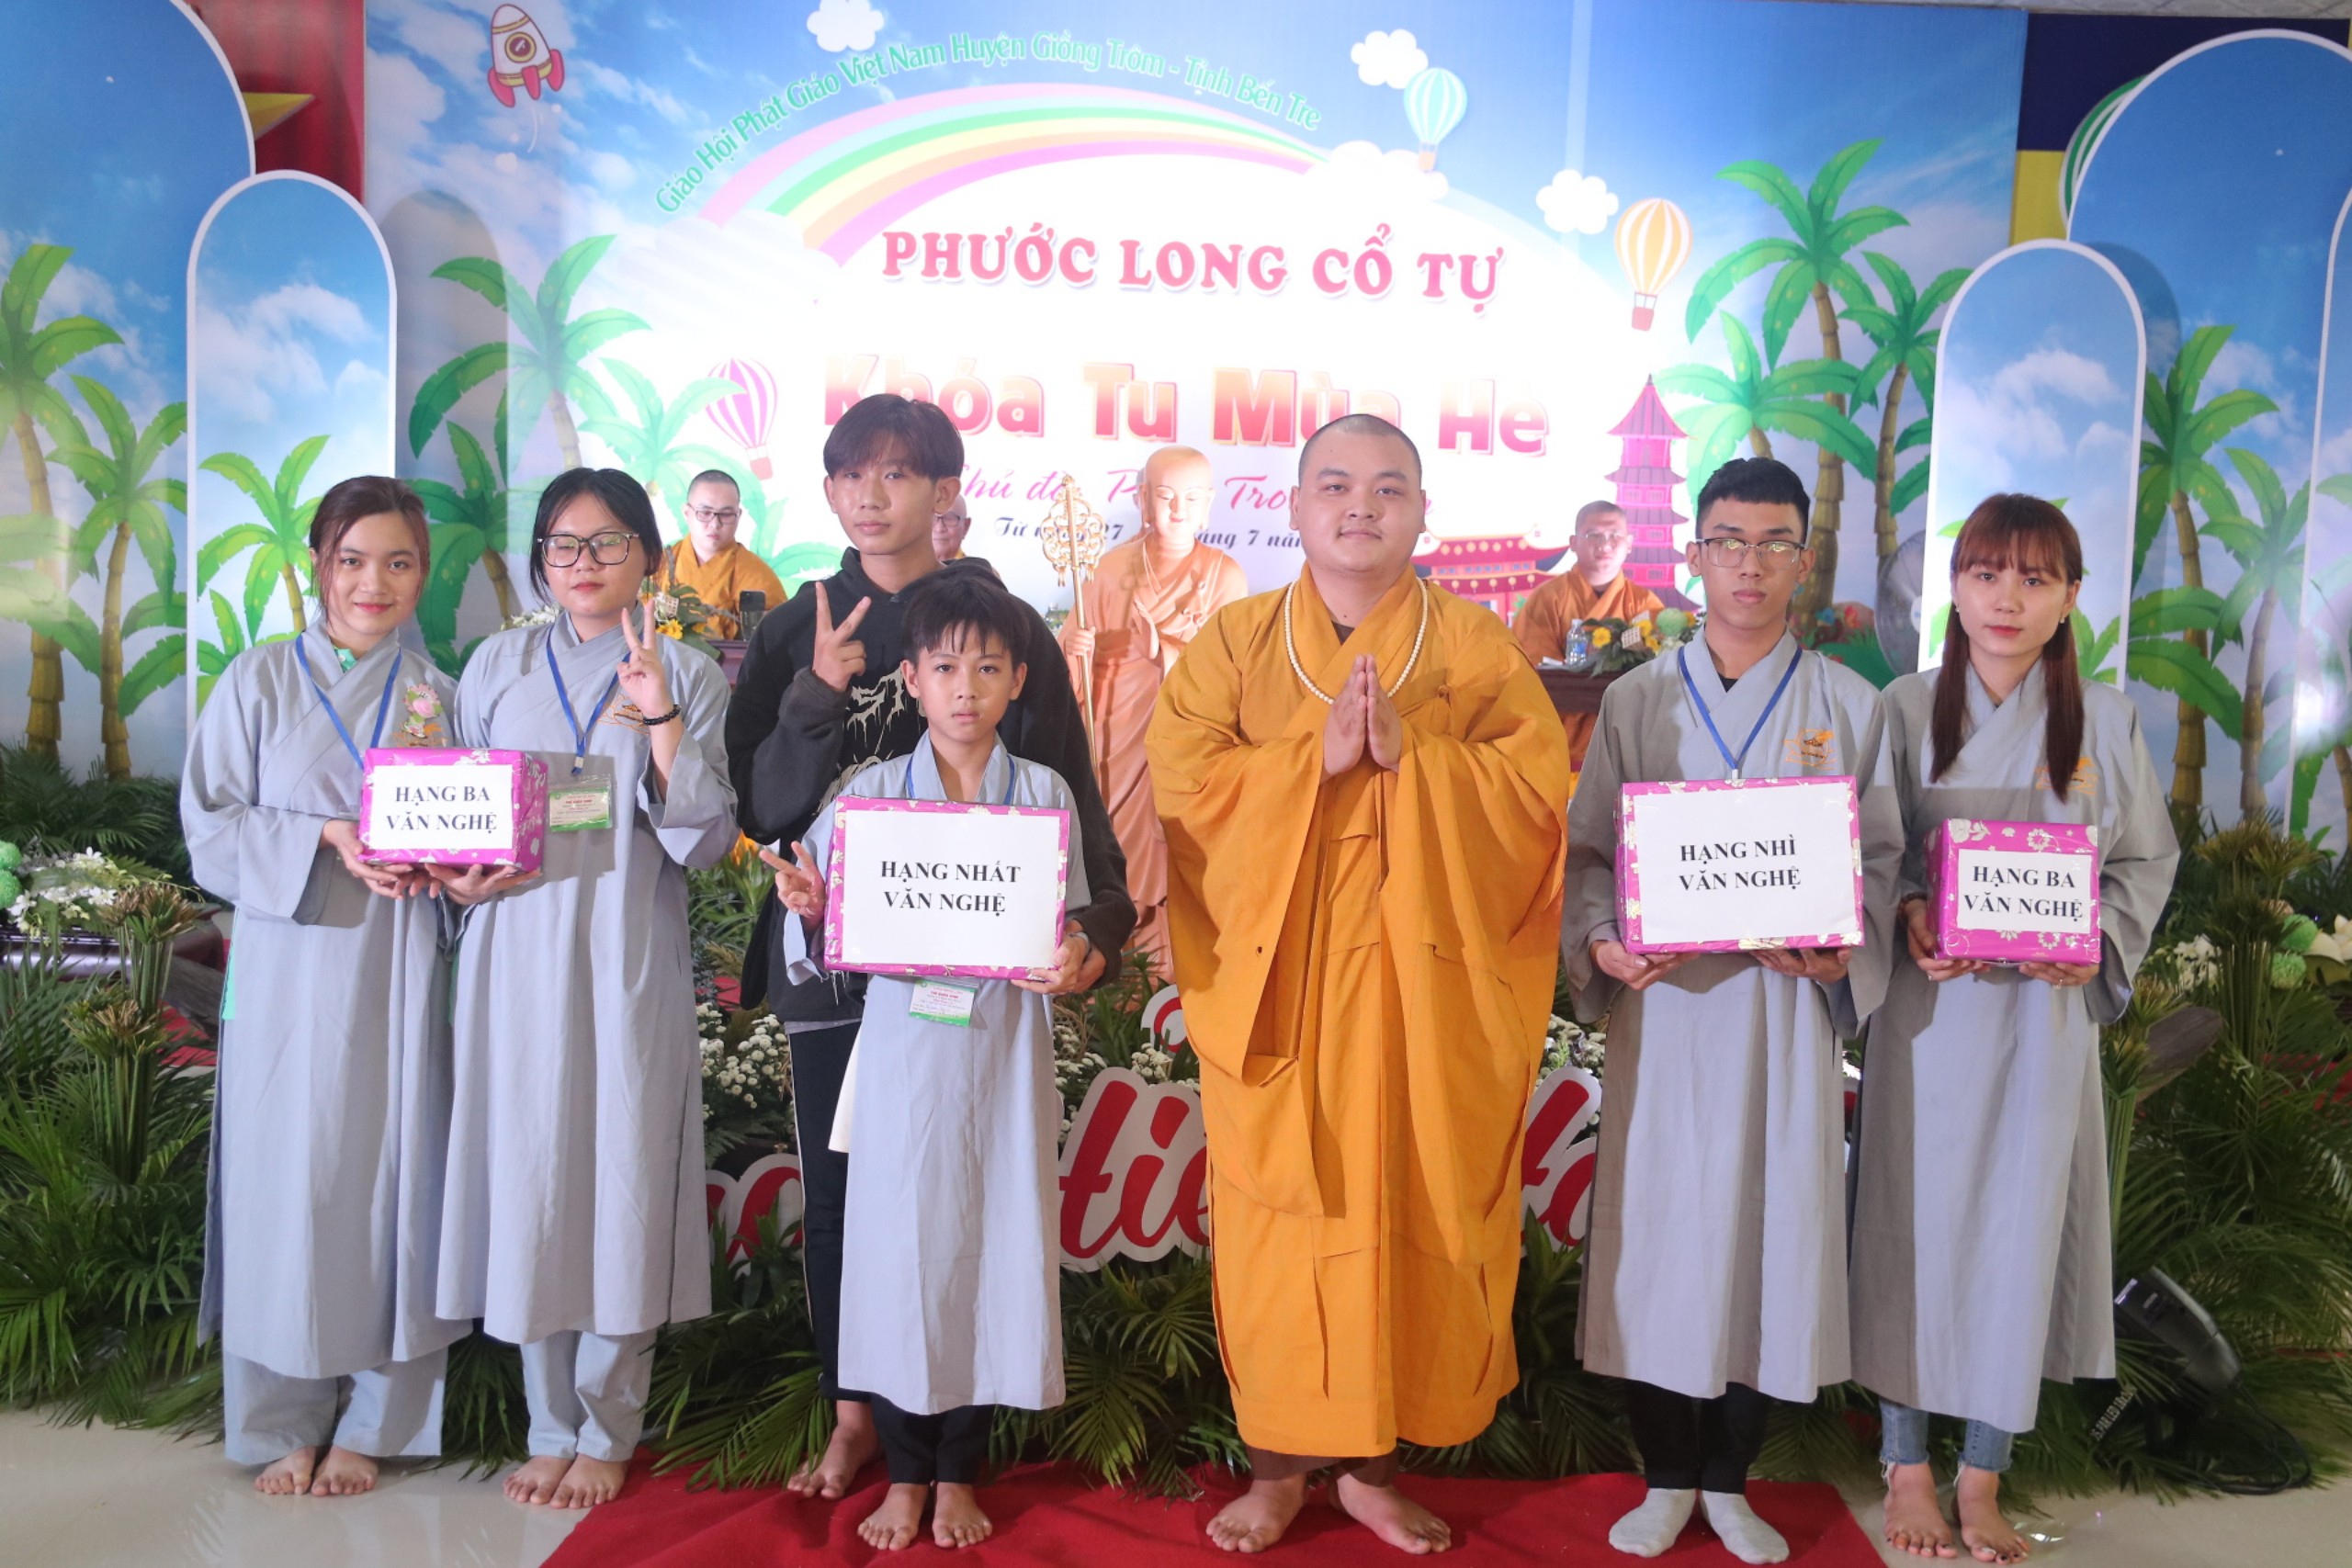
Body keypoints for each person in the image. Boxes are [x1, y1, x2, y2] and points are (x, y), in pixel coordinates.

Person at [1148, 414, 1571, 1554]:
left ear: (1422, 513)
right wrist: (1313, 762)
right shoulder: (1235, 643)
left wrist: (1414, 758)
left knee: (1413, 1209)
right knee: (1280, 1224)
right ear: (1293, 507)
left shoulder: (1473, 646)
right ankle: (1278, 1468)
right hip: (1282, 993)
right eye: (1334, 485)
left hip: (1422, 1001)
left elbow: (1536, 797)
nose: (1360, 507)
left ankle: (1375, 1467)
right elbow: (1181, 785)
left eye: (1388, 489)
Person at [724, 393, 1135, 1501]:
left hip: (976, 980)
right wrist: (816, 693)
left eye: (899, 473)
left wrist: (1097, 930)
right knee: (844, 1201)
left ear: (946, 490)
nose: (872, 496)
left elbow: (1070, 807)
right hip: (834, 956)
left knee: (964, 1192)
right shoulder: (794, 624)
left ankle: (950, 1434)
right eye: (852, 473)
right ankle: (856, 1414)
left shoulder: (1003, 627)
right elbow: (761, 810)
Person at [1562, 457, 1904, 1564]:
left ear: (1804, 561)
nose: (1748, 566)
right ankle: (1666, 1476)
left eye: (1772, 545)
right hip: (1663, 1016)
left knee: (1772, 1230)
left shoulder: (1849, 706)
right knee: (1660, 1235)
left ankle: (1728, 1480)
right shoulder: (1635, 700)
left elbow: (1883, 863)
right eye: (1727, 543)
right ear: (1694, 555)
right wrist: (1603, 940)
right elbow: (1589, 855)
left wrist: (1840, 941)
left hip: (1782, 1016)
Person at [1850, 496, 2177, 1565]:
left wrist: (2092, 944)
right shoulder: (1903, 707)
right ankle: (1906, 1467)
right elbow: (1873, 850)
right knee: (1907, 1226)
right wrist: (1907, 907)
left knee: (2016, 1238)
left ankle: (1982, 1478)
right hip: (1928, 1018)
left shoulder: (2105, 721)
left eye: (2035, 579)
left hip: (2040, 1026)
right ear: (1953, 587)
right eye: (1986, 573)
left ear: (2070, 597)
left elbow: (2142, 863)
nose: (2006, 598)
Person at [764, 571, 1112, 1551]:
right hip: (904, 1059)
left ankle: (961, 1470)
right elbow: (819, 912)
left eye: (988, 669)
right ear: (911, 679)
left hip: (1000, 1055)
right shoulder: (871, 796)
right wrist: (810, 906)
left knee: (991, 1245)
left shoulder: (1041, 793)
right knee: (895, 1253)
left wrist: (1069, 955)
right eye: (947, 668)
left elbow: (1070, 926)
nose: (966, 688)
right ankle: (907, 1473)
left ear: (1017, 682)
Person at [430, 467, 739, 1509]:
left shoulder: (684, 670)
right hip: (513, 951)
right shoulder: (496, 665)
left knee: (620, 1175)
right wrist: (455, 874)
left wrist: (659, 719)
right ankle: (548, 1422)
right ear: (540, 561)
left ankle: (607, 1428)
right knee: (531, 1174)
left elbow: (703, 840)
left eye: (608, 542)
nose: (584, 563)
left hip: (622, 950)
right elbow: (458, 810)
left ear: (647, 554)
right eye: (562, 545)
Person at [181, 475, 469, 1496]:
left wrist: (445, 866)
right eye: (351, 560)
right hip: (286, 964)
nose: (372, 583)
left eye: (397, 562)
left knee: (396, 1175)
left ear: (422, 575)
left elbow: (471, 833)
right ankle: (278, 1420)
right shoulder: (257, 680)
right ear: (317, 566)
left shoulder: (441, 696)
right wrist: (326, 836)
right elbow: (209, 826)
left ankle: (382, 1418)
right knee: (281, 1180)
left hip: (396, 961)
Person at [1058, 446, 1250, 970]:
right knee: (1113, 835)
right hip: (1116, 729)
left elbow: (1234, 673)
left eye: (1191, 498)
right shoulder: (1109, 567)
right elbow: (1074, 650)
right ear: (1143, 499)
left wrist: (1162, 651)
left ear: (1209, 503)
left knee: (1173, 844)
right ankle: (1110, 950)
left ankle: (1166, 962)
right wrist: (1075, 649)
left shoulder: (1225, 576)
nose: (1178, 509)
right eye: (1165, 496)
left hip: (1184, 737)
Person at [1513, 501, 1666, 775]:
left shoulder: (1645, 604)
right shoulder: (1547, 599)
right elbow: (1530, 671)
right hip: (1560, 742)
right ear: (1573, 543)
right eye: (1593, 535)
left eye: (1614, 536)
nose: (1605, 544)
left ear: (1629, 543)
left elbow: (1658, 675)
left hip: (1625, 743)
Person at [660, 468, 785, 637]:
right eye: (705, 513)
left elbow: (777, 638)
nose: (715, 524)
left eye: (726, 514)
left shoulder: (755, 574)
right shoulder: (658, 565)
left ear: (738, 516)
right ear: (687, 513)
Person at [932, 498, 973, 562]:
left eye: (949, 519)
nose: (939, 529)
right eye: (933, 518)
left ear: (965, 526)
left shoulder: (975, 568)